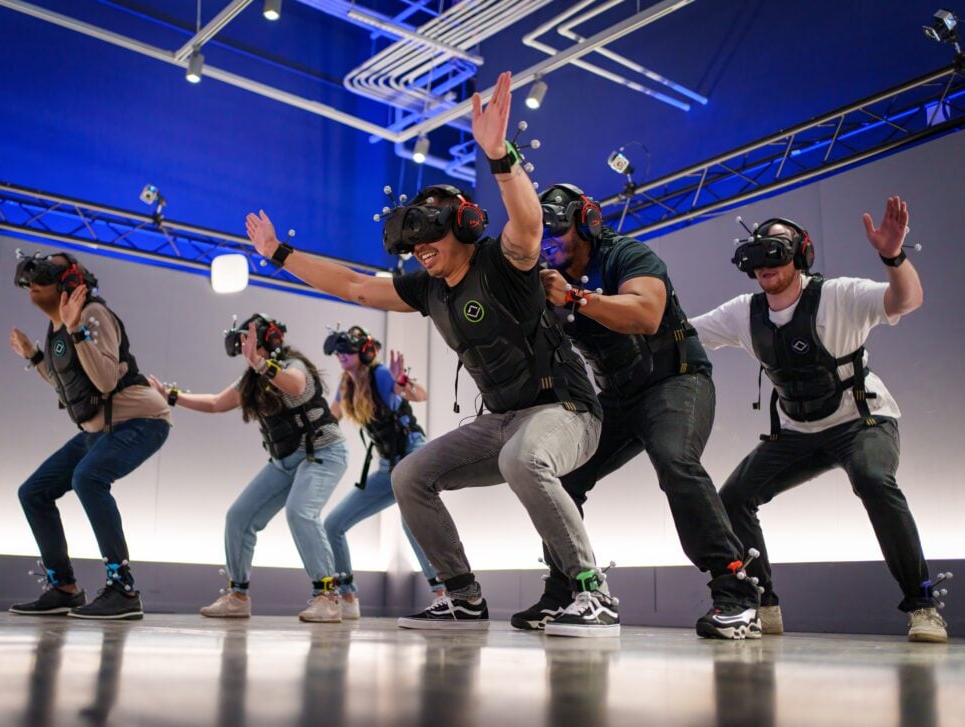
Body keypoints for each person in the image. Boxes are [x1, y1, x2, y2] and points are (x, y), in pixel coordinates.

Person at [245, 71, 616, 637]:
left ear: (463, 226)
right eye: (412, 242)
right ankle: (462, 596)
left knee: (522, 460)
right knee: (411, 474)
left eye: (429, 237)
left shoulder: (502, 262)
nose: (420, 250)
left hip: (566, 410)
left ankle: (593, 592)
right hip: (502, 420)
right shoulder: (428, 287)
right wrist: (279, 253)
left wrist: (499, 155)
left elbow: (529, 222)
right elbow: (354, 286)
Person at [691, 196, 948, 642]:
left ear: (801, 255)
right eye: (757, 256)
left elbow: (907, 300)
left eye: (776, 253)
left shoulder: (839, 295)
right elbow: (683, 331)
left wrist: (893, 256)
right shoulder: (744, 313)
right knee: (733, 498)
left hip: (861, 421)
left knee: (872, 478)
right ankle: (763, 603)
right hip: (799, 432)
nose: (765, 265)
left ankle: (922, 605)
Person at [514, 183, 761, 640]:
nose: (548, 242)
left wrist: (574, 298)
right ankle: (566, 589)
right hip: (616, 397)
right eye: (541, 234)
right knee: (561, 478)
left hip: (676, 380)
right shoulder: (546, 277)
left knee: (675, 461)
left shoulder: (627, 255)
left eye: (557, 231)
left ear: (586, 223)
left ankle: (736, 591)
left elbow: (646, 315)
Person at [148, 314, 349, 623]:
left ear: (268, 340)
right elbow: (216, 403)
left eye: (250, 342)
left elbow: (296, 385)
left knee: (300, 512)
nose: (245, 349)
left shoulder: (293, 365)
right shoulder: (254, 378)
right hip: (284, 462)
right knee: (239, 517)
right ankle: (237, 597)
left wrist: (260, 364)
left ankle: (328, 596)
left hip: (322, 452)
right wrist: (171, 396)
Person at [8, 250, 171, 620]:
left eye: (44, 276)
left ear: (69, 283)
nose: (33, 284)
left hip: (142, 419)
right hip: (99, 429)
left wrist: (76, 330)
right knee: (33, 492)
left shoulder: (93, 315)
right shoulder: (58, 329)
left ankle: (123, 589)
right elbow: (68, 384)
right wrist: (34, 356)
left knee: (88, 477)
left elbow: (106, 380)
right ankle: (64, 588)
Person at [321, 326, 442, 619]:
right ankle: (347, 596)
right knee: (333, 525)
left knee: (410, 522)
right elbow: (329, 419)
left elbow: (420, 395)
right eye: (338, 351)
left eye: (347, 350)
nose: (341, 355)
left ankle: (445, 593)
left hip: (412, 456)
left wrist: (402, 382)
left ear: (365, 352)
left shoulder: (382, 374)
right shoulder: (346, 385)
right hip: (387, 467)